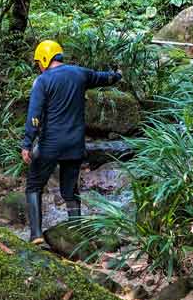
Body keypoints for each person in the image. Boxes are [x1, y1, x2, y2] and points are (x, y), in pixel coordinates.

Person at [21, 39, 122, 246]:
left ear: (45, 59)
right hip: (75, 144)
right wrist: (118, 75)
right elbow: (104, 78)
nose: (39, 67)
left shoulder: (42, 81)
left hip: (50, 144)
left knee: (34, 186)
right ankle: (77, 237)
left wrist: (27, 143)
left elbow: (34, 115)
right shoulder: (80, 73)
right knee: (70, 191)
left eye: (39, 62)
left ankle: (36, 235)